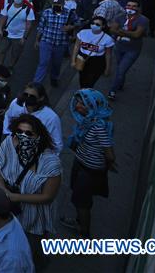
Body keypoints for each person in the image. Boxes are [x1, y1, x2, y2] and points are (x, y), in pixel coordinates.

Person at [0, 114, 62, 265]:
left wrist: (15, 197)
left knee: (32, 251)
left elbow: (48, 196)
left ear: (39, 136)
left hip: (33, 217)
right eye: (19, 131)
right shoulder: (9, 143)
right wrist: (2, 190)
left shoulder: (51, 162)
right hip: (9, 210)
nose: (23, 136)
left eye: (29, 133)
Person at [61, 89, 116, 239]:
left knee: (82, 203)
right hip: (81, 165)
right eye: (78, 102)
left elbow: (110, 153)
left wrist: (109, 164)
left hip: (89, 171)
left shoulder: (98, 126)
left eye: (82, 104)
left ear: (93, 107)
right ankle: (78, 222)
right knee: (79, 198)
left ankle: (84, 235)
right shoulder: (88, 121)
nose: (77, 106)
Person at [2, 83, 63, 154]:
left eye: (32, 96)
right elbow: (8, 117)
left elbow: (57, 145)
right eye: (25, 94)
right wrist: (8, 135)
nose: (28, 98)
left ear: (41, 98)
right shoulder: (16, 104)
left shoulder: (51, 118)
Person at [107, 0, 148, 100]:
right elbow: (112, 29)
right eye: (129, 5)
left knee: (121, 70)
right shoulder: (120, 17)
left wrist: (121, 31)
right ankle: (120, 84)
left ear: (138, 8)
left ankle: (112, 91)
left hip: (132, 50)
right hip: (119, 47)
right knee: (120, 68)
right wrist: (128, 33)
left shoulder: (143, 20)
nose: (131, 8)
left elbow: (137, 34)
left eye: (134, 6)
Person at [33, 0, 76, 87]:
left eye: (58, 4)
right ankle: (36, 84)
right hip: (46, 41)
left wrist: (71, 27)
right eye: (55, 4)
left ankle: (54, 77)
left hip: (60, 44)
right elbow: (41, 27)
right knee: (43, 63)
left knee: (56, 63)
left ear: (63, 4)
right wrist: (37, 40)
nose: (56, 6)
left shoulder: (69, 14)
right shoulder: (46, 13)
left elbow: (78, 22)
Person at [71, 16, 115, 88]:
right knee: (82, 79)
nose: (94, 25)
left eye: (97, 24)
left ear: (103, 26)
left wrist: (107, 68)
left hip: (97, 62)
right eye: (93, 23)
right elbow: (76, 46)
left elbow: (108, 54)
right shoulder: (83, 33)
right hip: (82, 58)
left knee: (91, 82)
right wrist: (73, 60)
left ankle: (86, 92)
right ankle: (83, 91)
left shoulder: (107, 38)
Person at [0, 0, 34, 70]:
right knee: (2, 51)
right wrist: (0, 29)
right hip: (7, 34)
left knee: (15, 54)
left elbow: (29, 25)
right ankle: (0, 66)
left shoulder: (28, 10)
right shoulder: (8, 6)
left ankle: (11, 67)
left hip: (19, 37)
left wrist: (24, 37)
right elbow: (3, 17)